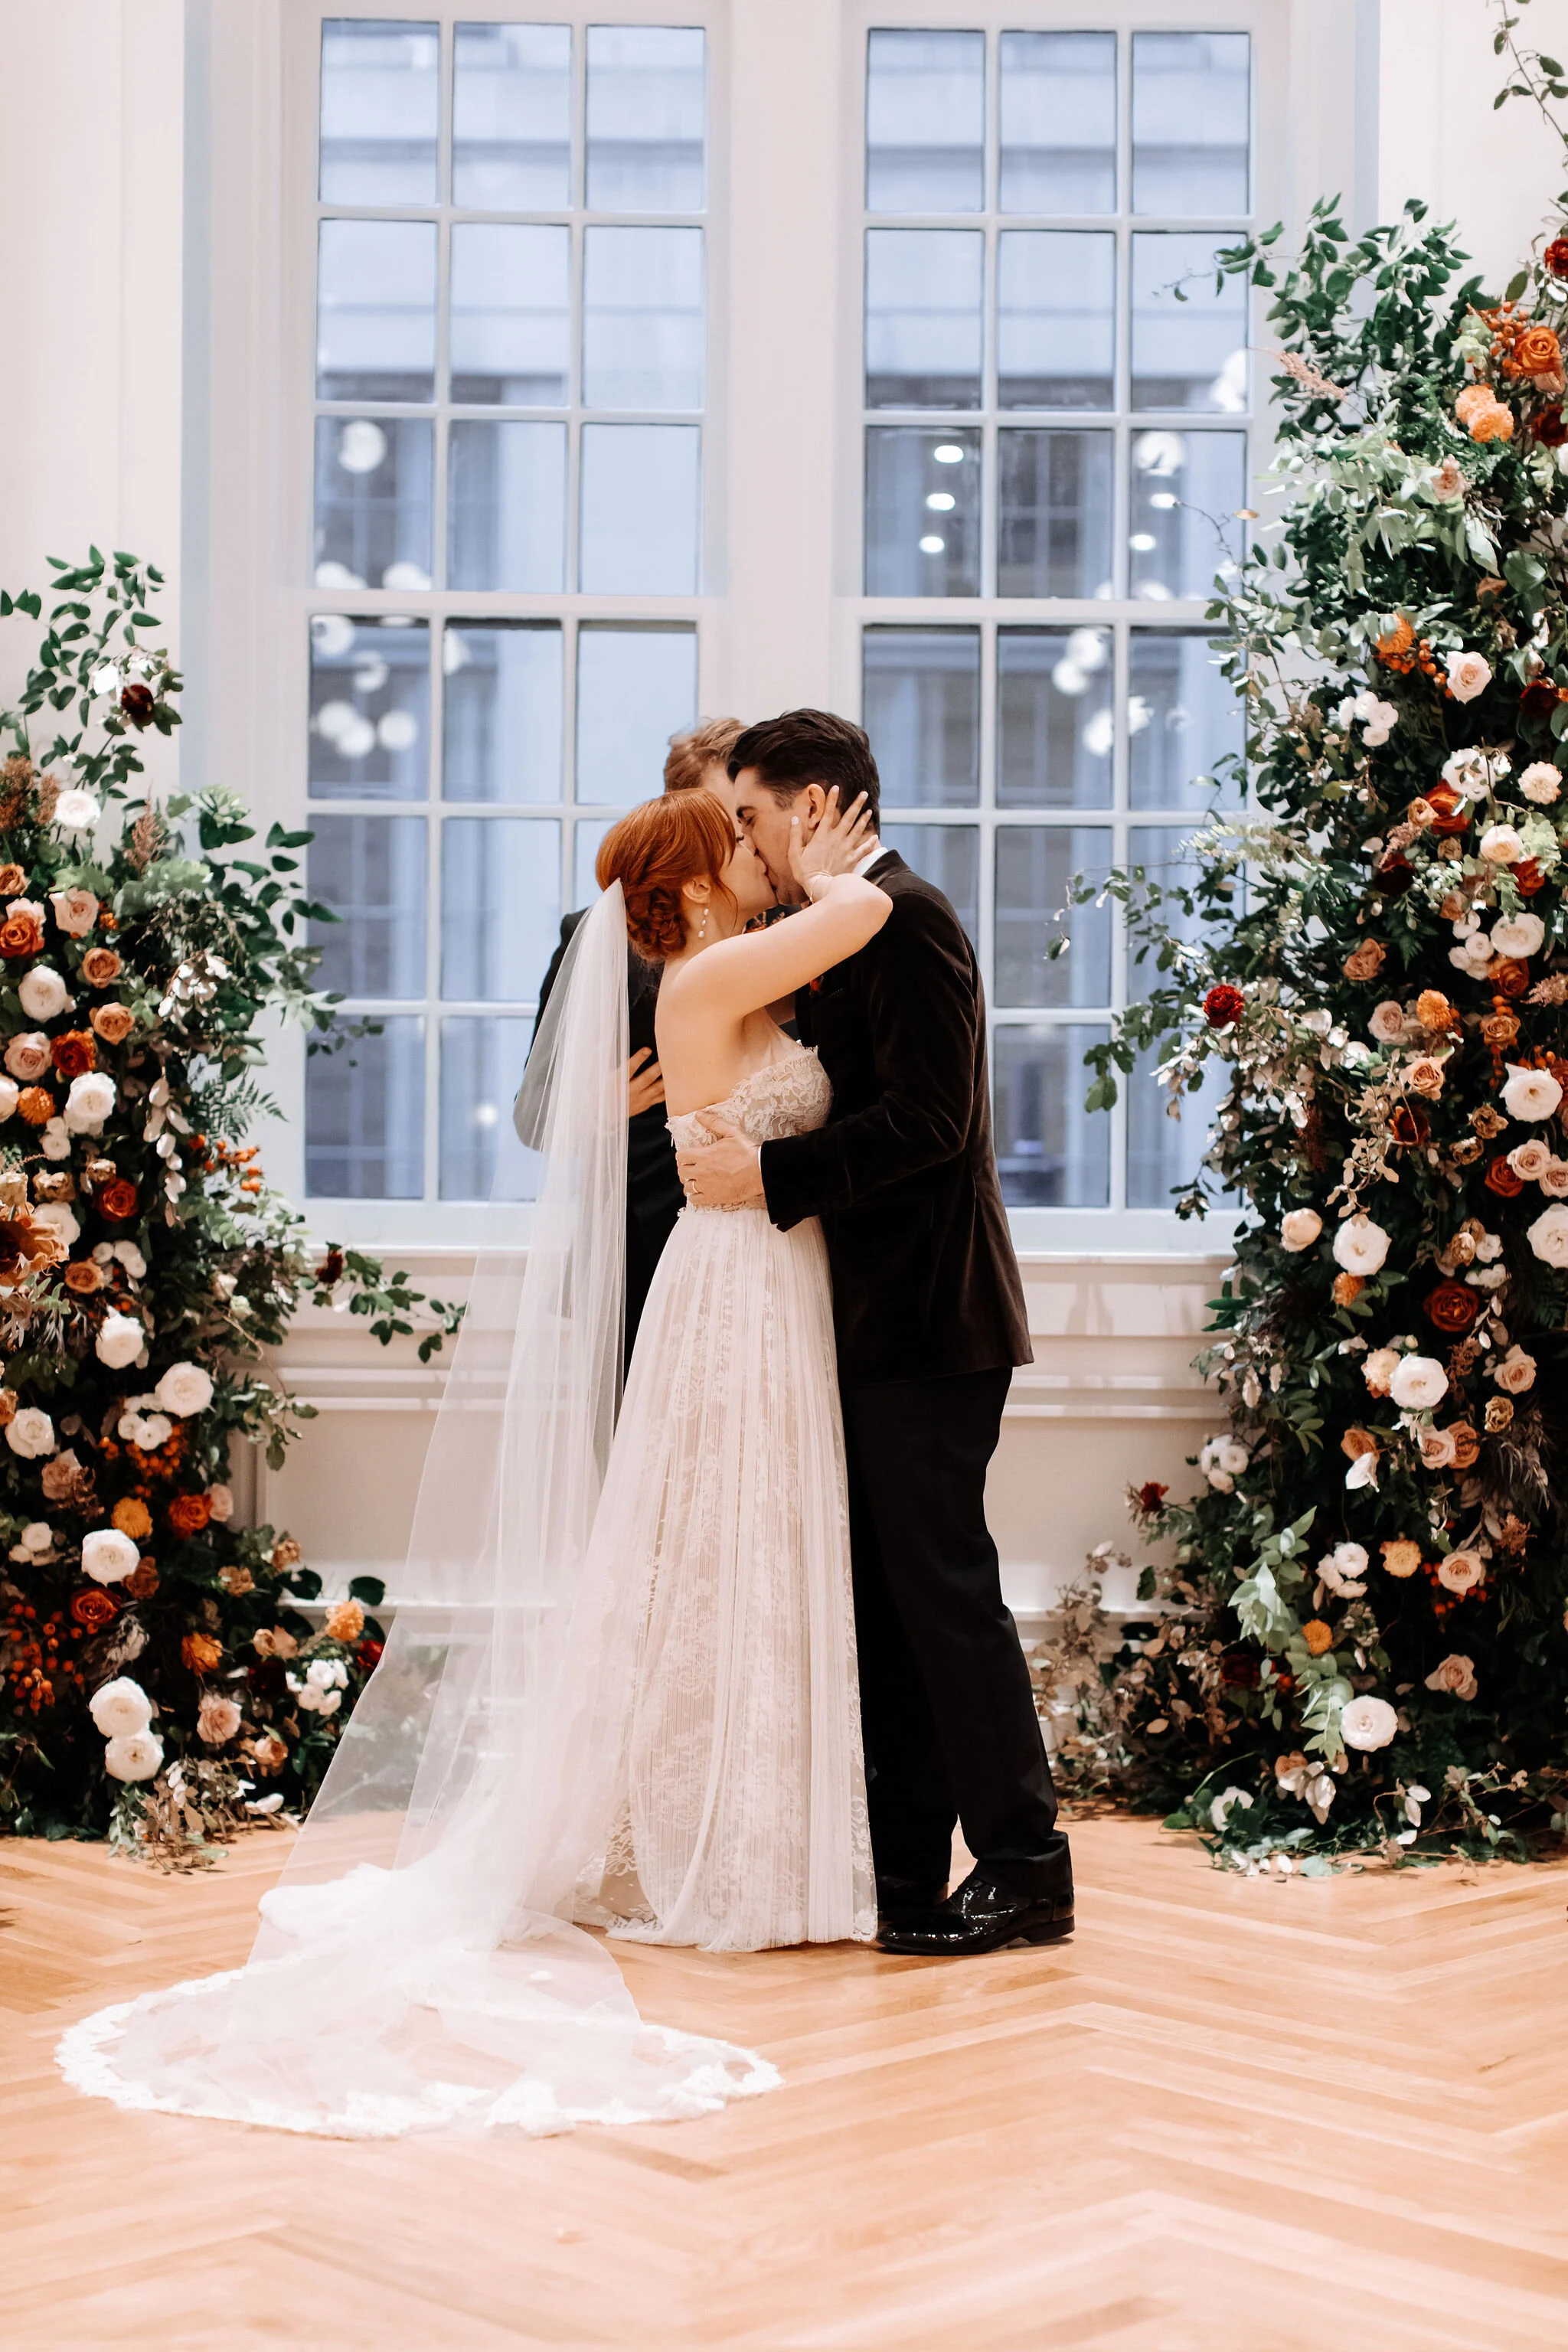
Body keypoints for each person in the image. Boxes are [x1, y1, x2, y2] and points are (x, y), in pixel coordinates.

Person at [57, 782, 889, 2139]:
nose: (759, 849)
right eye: (737, 839)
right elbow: (855, 913)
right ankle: (707, 1838)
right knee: (719, 1539)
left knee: (749, 1541)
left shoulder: (724, 967)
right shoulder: (709, 967)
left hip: (764, 1281)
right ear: (683, 887)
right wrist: (833, 858)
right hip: (735, 1284)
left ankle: (751, 1822)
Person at [678, 708, 1073, 1959]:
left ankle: (1025, 1864)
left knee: (944, 1596)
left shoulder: (906, 916)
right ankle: (903, 1865)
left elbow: (932, 1123)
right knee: (896, 1607)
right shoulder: (843, 926)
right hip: (869, 1326)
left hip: (933, 1318)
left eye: (750, 813)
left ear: (812, 804)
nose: (742, 836)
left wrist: (772, 1178)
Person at [526, 717, 745, 1367]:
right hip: (634, 1251)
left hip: (765, 1244)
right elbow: (529, 1114)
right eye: (723, 820)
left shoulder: (791, 929)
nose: (739, 839)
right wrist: (591, 1110)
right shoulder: (597, 938)